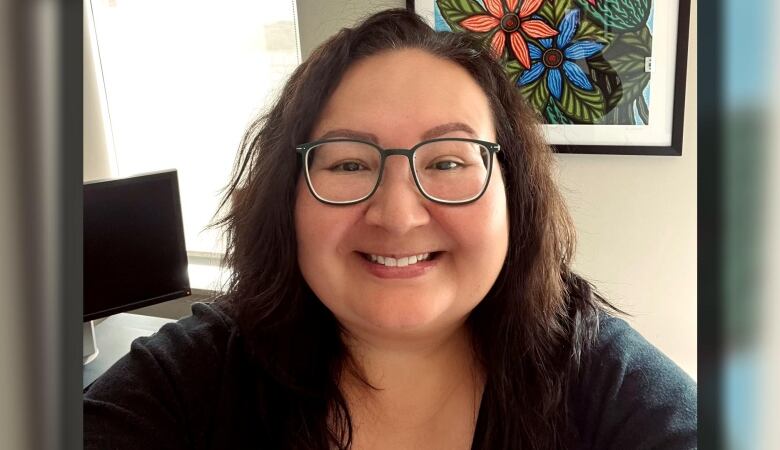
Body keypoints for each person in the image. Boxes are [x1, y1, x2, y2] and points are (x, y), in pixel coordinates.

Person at [84, 8, 696, 450]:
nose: (398, 215)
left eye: (449, 161)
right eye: (349, 163)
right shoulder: (189, 384)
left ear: (516, 194)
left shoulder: (603, 380)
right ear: (286, 197)